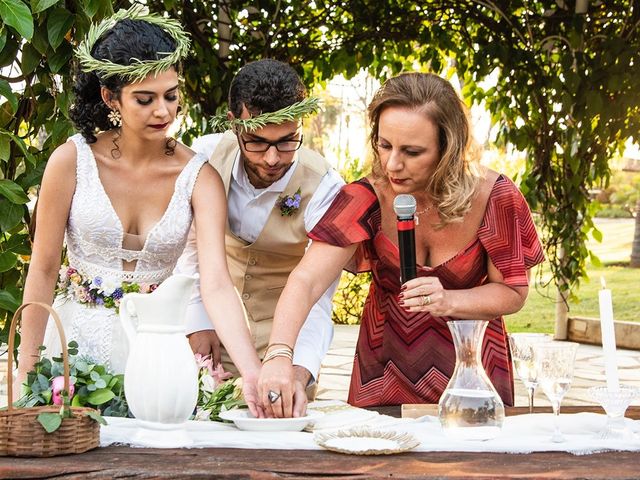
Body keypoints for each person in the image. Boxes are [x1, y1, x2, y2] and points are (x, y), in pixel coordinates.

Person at [16, 6, 263, 415]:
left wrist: (252, 372)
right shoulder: (70, 161)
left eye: (171, 96)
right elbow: (42, 269)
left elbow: (216, 284)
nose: (163, 112)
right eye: (145, 100)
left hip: (159, 352)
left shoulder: (198, 177)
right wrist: (28, 368)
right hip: (72, 353)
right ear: (110, 97)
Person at [259, 72, 545, 417]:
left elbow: (512, 292)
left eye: (412, 151)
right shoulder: (364, 198)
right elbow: (306, 281)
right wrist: (279, 355)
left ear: (449, 146)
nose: (393, 164)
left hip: (474, 370)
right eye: (385, 145)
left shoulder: (494, 196)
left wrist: (448, 299)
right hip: (384, 369)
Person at [174, 59, 344, 414]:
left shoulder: (326, 187)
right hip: (215, 333)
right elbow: (189, 250)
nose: (271, 158)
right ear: (235, 125)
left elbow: (318, 295)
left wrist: (299, 372)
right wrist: (197, 320)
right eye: (256, 143)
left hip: (287, 343)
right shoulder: (203, 158)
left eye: (287, 142)